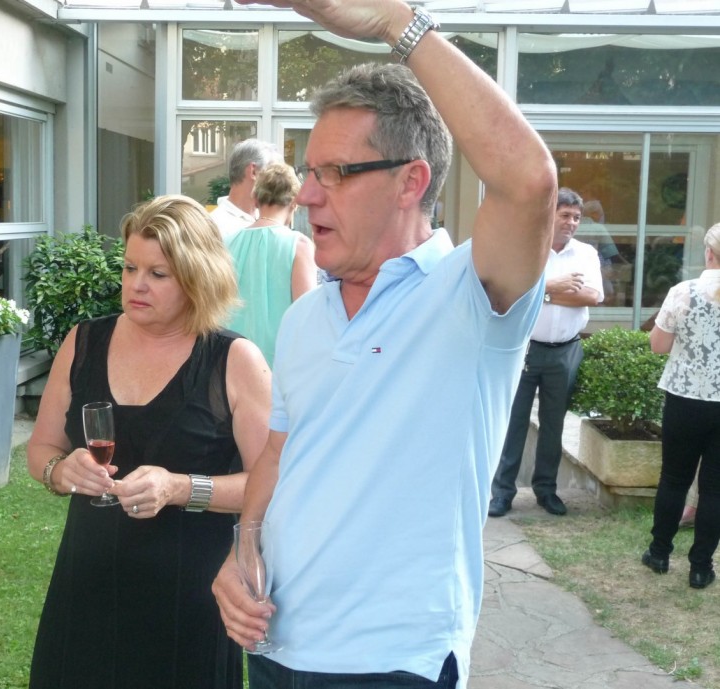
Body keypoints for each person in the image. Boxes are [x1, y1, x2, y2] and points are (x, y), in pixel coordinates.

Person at [211, 0, 558, 686]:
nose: (308, 196)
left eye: (334, 173)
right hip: (276, 643)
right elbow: (281, 452)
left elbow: (528, 182)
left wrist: (396, 23)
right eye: (309, 172)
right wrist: (242, 544)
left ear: (411, 181)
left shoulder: (469, 296)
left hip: (391, 662)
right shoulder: (306, 316)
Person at [26, 195, 272, 689]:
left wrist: (179, 487)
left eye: (158, 274)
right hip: (85, 588)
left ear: (198, 277)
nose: (137, 284)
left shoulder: (233, 360)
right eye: (130, 267)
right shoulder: (83, 342)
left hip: (189, 600)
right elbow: (41, 449)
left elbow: (273, 484)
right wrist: (60, 471)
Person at [488, 188, 604, 518]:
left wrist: (541, 292)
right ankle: (503, 492)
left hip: (565, 351)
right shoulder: (526, 247)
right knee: (514, 421)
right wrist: (553, 288)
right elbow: (510, 293)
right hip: (524, 348)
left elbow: (592, 296)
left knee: (554, 424)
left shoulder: (586, 254)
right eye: (565, 215)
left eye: (577, 218)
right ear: (549, 215)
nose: (572, 223)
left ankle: (546, 490)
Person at [641, 222, 720, 590]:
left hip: (685, 398)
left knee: (674, 478)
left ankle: (659, 552)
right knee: (715, 489)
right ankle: (701, 567)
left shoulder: (683, 291)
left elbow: (658, 345)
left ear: (709, 252)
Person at [225, 161, 318, 365]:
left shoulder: (226, 242)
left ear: (256, 199)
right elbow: (307, 315)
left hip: (228, 359)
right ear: (294, 202)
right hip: (278, 362)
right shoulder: (299, 246)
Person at [210, 138, 282, 239]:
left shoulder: (267, 217)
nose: (278, 181)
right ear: (253, 171)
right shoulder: (214, 226)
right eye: (272, 173)